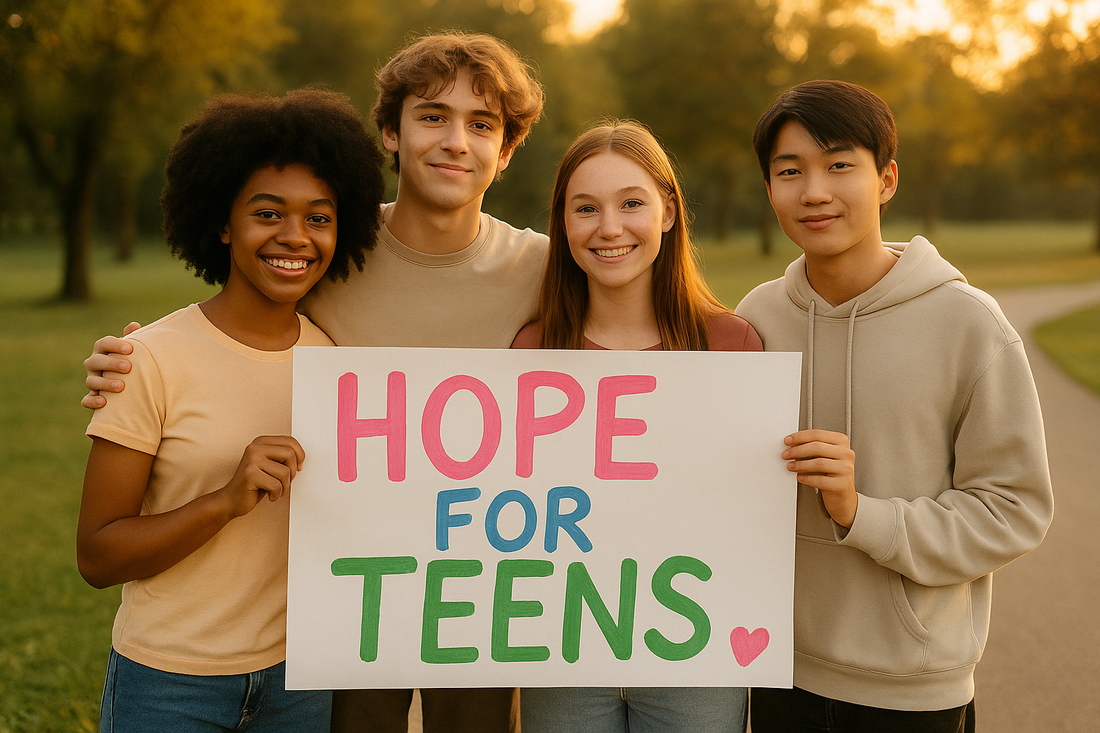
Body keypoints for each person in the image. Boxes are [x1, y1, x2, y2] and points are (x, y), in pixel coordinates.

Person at [80, 32, 547, 733]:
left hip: (481, 593)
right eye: (431, 116)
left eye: (481, 124)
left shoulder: (545, 268)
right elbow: (229, 327)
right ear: (389, 132)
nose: (455, 140)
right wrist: (129, 357)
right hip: (342, 614)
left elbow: (650, 319)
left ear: (506, 150)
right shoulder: (339, 257)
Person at [735, 80, 1054, 732]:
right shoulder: (755, 318)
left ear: (887, 180)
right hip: (775, 671)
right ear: (770, 191)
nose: (814, 191)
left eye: (839, 166)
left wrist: (864, 516)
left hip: (912, 692)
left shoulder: (969, 325)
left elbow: (1016, 509)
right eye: (790, 171)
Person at [76, 89, 386, 732]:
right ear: (223, 223)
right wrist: (224, 500)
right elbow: (98, 557)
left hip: (298, 683)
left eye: (319, 217)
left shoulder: (337, 364)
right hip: (168, 682)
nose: (295, 237)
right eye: (268, 213)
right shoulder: (148, 360)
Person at [512, 120, 760, 732]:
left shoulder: (732, 345)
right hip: (563, 646)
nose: (609, 228)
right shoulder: (532, 351)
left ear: (669, 211)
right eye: (586, 208)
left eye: (631, 203)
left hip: (694, 645)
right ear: (563, 224)